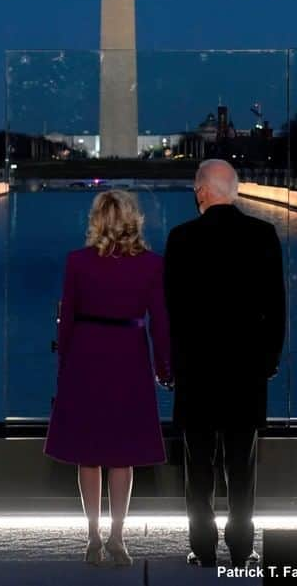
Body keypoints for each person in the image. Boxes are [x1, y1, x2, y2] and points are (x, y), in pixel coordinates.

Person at [164, 159, 285, 568]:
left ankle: (202, 548)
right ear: (233, 191)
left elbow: (171, 312)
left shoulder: (181, 238)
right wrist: (269, 359)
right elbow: (277, 308)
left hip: (196, 370)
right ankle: (241, 547)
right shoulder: (263, 236)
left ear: (201, 192)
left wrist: (171, 364)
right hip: (245, 370)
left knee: (197, 465)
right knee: (242, 465)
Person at [44, 190, 172, 566]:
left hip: (86, 356)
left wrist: (64, 366)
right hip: (129, 356)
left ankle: (93, 536)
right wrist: (165, 368)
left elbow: (65, 321)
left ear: (97, 220)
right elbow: (160, 324)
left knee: (89, 454)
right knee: (122, 454)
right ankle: (118, 537)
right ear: (133, 219)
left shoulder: (77, 262)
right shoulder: (151, 265)